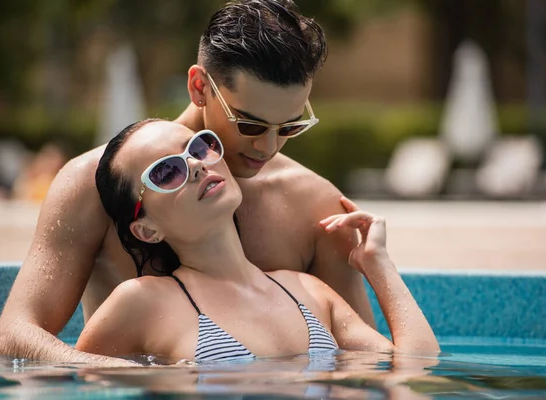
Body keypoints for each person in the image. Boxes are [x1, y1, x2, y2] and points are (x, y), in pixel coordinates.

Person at [0, 0, 376, 365]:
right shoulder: (90, 184)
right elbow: (14, 336)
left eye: (290, 126)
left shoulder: (314, 204)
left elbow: (365, 366)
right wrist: (124, 373)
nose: (268, 146)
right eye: (251, 124)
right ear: (199, 87)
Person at [74, 119, 439, 362]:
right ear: (147, 229)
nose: (198, 165)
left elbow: (413, 372)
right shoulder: (140, 302)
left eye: (200, 148)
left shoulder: (308, 291)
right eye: (168, 171)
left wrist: (379, 265)